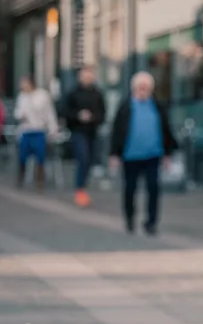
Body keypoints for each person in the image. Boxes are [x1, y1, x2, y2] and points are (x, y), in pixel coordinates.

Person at [109, 72, 177, 235]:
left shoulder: (157, 106)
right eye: (140, 87)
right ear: (134, 88)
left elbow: (166, 130)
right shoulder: (125, 107)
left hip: (153, 155)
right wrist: (114, 154)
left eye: (146, 88)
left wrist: (168, 154)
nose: (143, 91)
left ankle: (151, 222)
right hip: (130, 155)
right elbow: (117, 131)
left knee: (153, 189)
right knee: (130, 189)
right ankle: (130, 219)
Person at [63, 66, 106, 207]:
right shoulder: (73, 93)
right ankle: (80, 188)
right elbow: (65, 111)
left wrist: (93, 118)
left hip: (92, 131)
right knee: (83, 156)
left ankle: (83, 186)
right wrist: (78, 116)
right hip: (78, 131)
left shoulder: (97, 94)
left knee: (89, 160)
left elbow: (102, 113)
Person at [13, 76, 59, 190]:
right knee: (23, 154)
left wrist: (53, 128)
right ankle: (21, 177)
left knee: (40, 154)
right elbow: (17, 113)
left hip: (39, 129)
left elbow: (49, 113)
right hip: (26, 129)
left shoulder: (42, 96)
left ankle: (39, 180)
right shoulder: (22, 97)